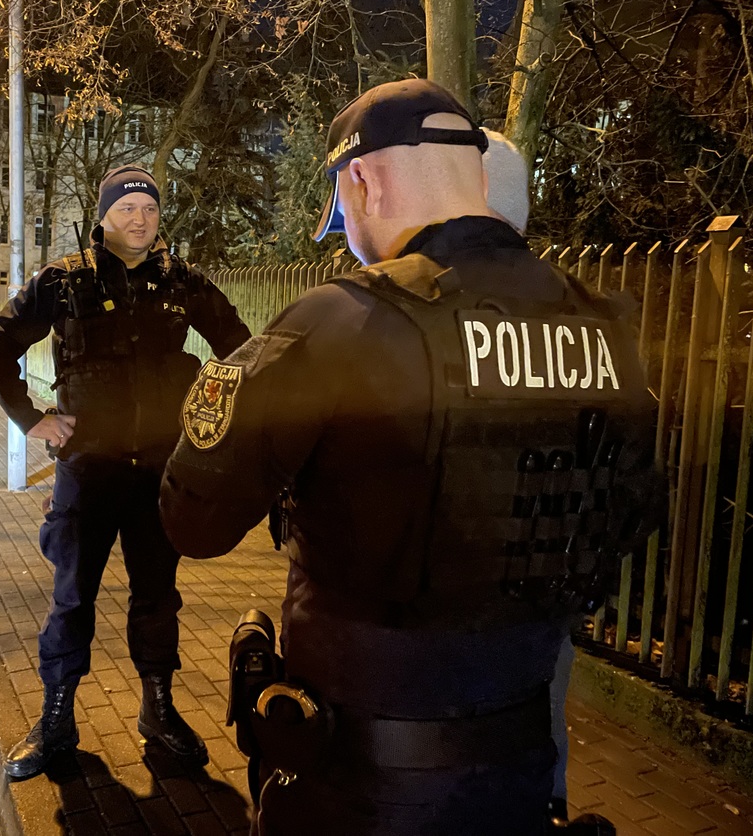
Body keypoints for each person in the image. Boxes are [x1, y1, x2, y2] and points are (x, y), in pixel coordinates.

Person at [159, 79, 663, 834]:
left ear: (362, 179)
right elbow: (633, 513)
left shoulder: (342, 320)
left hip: (356, 789)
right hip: (520, 771)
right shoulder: (603, 328)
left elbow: (192, 523)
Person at [0, 166, 252, 779]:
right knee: (72, 598)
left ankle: (158, 708)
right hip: (88, 471)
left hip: (159, 470)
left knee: (158, 596)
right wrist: (30, 419)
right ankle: (56, 719)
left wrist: (214, 421)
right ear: (103, 216)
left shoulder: (182, 281)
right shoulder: (63, 282)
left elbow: (240, 349)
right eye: (126, 207)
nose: (139, 218)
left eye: (149, 208)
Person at [482, 126, 576, 822]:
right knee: (541, 722)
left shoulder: (442, 309)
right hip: (549, 575)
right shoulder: (572, 307)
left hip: (472, 585)